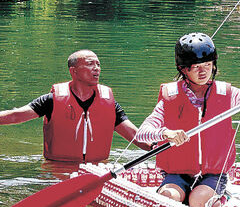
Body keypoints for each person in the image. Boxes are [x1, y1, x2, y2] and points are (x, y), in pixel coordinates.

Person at [135, 32, 240, 207]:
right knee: (168, 199)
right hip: (176, 174)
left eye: (208, 65)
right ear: (183, 69)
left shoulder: (226, 93)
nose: (203, 71)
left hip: (213, 174)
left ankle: (221, 197)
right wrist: (165, 133)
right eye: (196, 67)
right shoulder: (170, 96)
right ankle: (181, 195)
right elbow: (142, 132)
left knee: (198, 202)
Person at [0, 49, 144, 162]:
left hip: (97, 169)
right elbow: (15, 116)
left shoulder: (109, 104)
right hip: (57, 169)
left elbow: (135, 136)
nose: (96, 68)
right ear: (73, 71)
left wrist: (160, 146)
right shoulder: (52, 100)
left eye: (98, 64)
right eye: (90, 64)